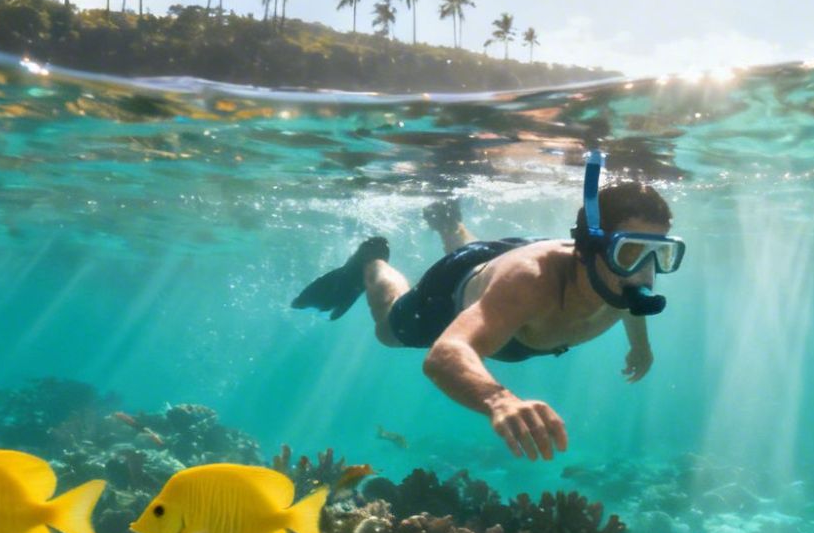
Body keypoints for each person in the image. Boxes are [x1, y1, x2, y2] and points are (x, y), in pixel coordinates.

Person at [293, 152, 684, 461]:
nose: (646, 275)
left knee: (494, 272)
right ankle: (371, 263)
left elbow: (633, 303)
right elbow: (444, 355)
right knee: (387, 332)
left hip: (508, 265)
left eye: (659, 254)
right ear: (586, 250)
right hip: (456, 289)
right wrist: (499, 400)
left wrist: (641, 345)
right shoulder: (529, 284)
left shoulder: (619, 278)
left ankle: (450, 224)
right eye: (631, 252)